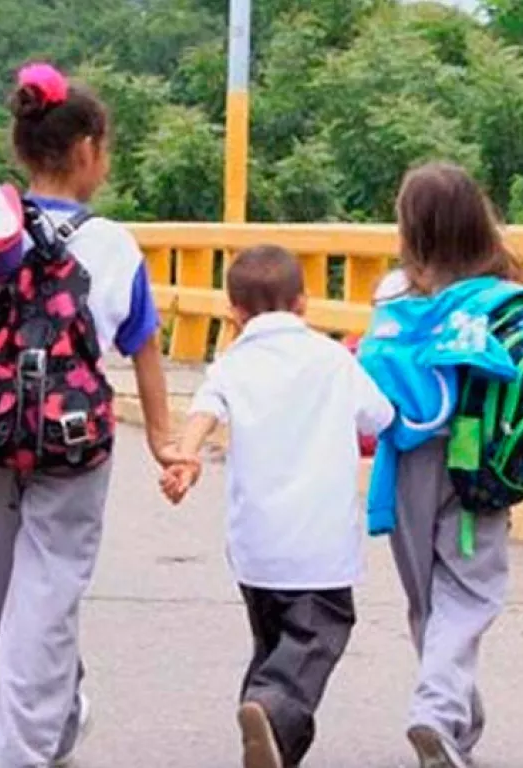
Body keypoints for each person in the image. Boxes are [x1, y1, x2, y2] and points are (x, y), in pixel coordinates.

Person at [0, 64, 179, 768]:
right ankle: (17, 750)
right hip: (73, 436)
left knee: (11, 588)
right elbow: (143, 343)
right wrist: (165, 441)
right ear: (87, 150)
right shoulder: (113, 244)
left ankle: (55, 714)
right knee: (47, 593)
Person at [160, 246, 394, 768]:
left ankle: (269, 735)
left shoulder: (232, 363)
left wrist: (185, 456)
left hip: (256, 548)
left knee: (273, 643)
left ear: (233, 314)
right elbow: (380, 417)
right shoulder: (334, 359)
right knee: (311, 641)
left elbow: (204, 409)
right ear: (304, 304)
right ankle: (267, 709)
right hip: (318, 545)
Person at [363, 163, 523, 768]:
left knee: (430, 599)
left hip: (407, 464)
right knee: (470, 590)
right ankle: (438, 714)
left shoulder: (391, 294)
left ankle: (452, 720)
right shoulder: (507, 294)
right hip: (479, 466)